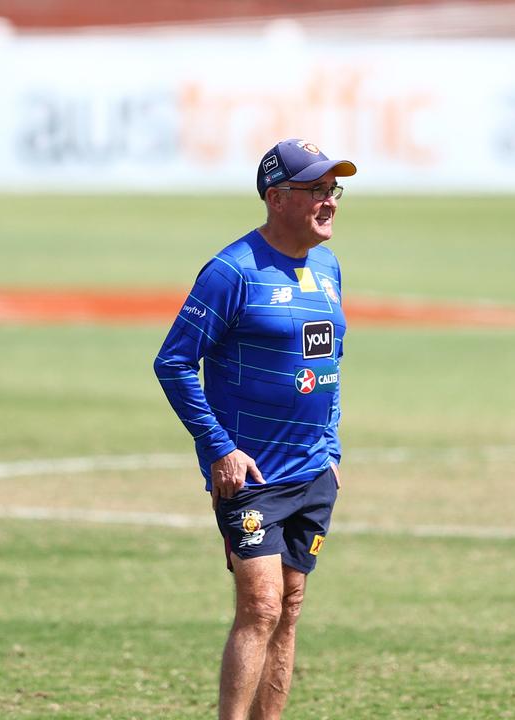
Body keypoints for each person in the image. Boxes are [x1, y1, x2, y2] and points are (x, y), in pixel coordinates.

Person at [153, 138, 356, 720]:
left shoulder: (327, 265)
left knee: (290, 606)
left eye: (333, 189)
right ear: (276, 197)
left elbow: (329, 361)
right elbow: (172, 362)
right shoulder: (231, 271)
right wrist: (220, 449)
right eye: (316, 189)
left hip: (313, 469)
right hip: (253, 474)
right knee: (261, 606)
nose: (330, 201)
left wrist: (332, 445)